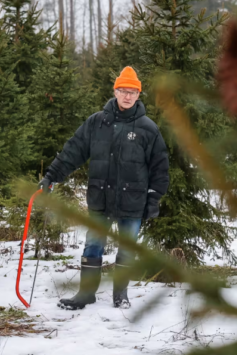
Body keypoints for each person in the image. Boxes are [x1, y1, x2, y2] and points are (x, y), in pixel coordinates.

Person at [39, 66, 170, 310]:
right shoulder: (96, 122)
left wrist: (153, 199)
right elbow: (73, 151)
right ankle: (86, 293)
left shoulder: (148, 128)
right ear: (115, 91)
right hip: (100, 198)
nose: (128, 96)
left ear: (138, 95)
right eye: (123, 91)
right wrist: (52, 177)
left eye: (133, 92)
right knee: (93, 246)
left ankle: (121, 296)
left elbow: (160, 168)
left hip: (132, 201)